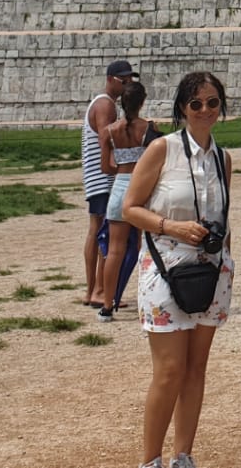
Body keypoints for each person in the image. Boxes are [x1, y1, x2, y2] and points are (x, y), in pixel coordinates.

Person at [122, 71, 236, 468]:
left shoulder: (223, 158)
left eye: (213, 103)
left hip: (210, 271)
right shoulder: (162, 149)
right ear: (183, 109)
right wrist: (172, 227)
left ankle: (182, 455)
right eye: (196, 103)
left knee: (195, 368)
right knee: (169, 370)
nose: (205, 110)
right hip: (167, 266)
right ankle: (150, 459)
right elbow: (130, 208)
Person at [98, 79, 157, 320]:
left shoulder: (110, 131)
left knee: (114, 251)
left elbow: (106, 166)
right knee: (145, 247)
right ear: (142, 102)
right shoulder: (149, 129)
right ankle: (147, 299)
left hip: (120, 187)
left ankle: (107, 305)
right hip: (142, 188)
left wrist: (122, 166)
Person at [84, 59, 136, 308]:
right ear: (110, 79)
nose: (127, 83)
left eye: (130, 79)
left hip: (98, 177)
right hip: (104, 178)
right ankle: (101, 290)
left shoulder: (102, 103)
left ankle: (93, 290)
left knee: (96, 231)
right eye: (123, 79)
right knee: (104, 234)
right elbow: (107, 137)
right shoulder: (106, 105)